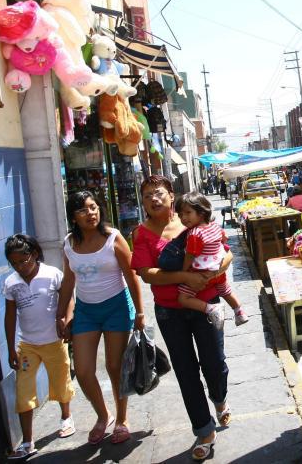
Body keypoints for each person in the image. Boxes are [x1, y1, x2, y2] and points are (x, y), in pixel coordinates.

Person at [131, 175, 231, 461]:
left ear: (171, 196)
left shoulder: (192, 221)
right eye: (147, 194)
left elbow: (227, 254)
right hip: (169, 311)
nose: (153, 198)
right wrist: (186, 276)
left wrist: (211, 274)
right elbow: (146, 273)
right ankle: (204, 429)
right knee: (186, 371)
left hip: (205, 302)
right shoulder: (141, 234)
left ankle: (220, 399)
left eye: (158, 192)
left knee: (214, 363)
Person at [56, 191, 144, 445]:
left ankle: (122, 419)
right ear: (73, 216)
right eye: (83, 210)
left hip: (117, 307)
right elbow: (69, 280)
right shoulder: (69, 243)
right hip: (86, 311)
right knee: (83, 371)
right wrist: (61, 315)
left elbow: (131, 276)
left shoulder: (114, 239)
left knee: (114, 367)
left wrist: (139, 312)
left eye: (93, 207)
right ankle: (102, 416)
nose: (90, 213)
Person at [4, 234, 75, 459]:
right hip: (27, 346)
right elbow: (9, 318)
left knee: (60, 380)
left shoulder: (52, 274)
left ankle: (66, 417)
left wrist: (66, 320)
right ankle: (27, 442)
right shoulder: (11, 283)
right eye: (14, 263)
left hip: (54, 341)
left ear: (34, 254)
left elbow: (69, 297)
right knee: (23, 391)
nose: (20, 267)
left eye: (23, 261)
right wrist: (10, 349)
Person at [174, 192, 248, 327]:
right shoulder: (215, 226)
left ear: (201, 212)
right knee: (225, 291)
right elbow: (224, 241)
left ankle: (211, 309)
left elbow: (190, 255)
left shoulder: (195, 233)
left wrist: (184, 272)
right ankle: (239, 311)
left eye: (187, 213)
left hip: (201, 273)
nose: (183, 218)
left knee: (183, 299)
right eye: (180, 215)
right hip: (218, 271)